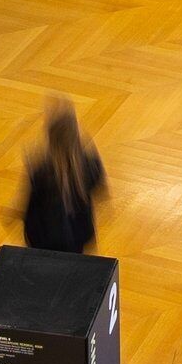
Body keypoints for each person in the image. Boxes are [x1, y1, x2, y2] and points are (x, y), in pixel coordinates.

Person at [21, 96, 108, 255]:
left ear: (50, 137)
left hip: (43, 239)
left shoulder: (41, 170)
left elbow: (30, 208)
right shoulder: (90, 164)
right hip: (78, 234)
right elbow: (99, 187)